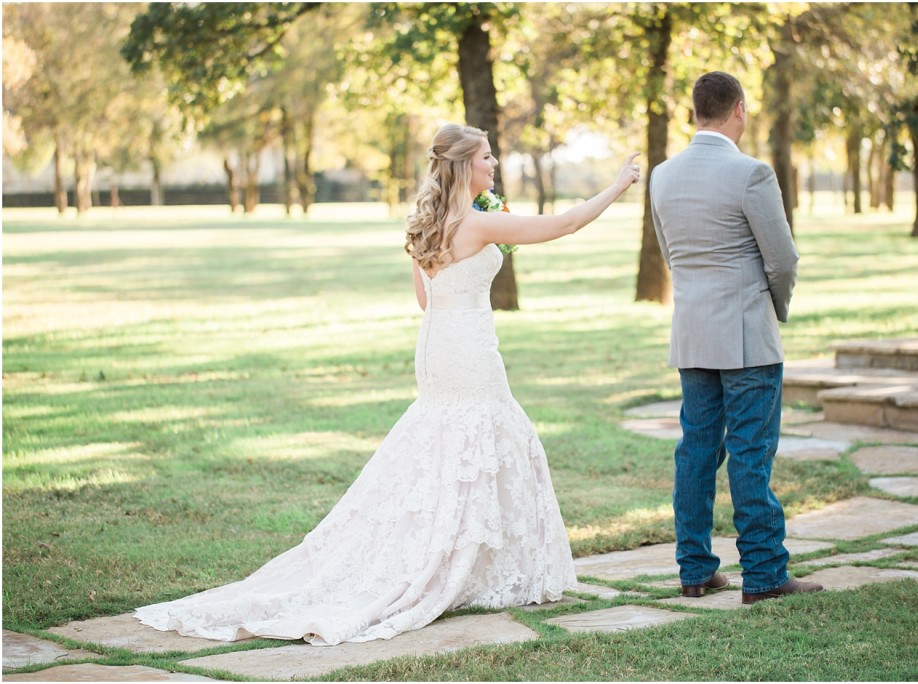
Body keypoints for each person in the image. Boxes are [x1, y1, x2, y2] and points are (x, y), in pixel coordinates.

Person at [134, 123, 641, 645]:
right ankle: (465, 565)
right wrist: (619, 183)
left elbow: (425, 300)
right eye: (487, 158)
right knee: (481, 436)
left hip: (436, 342)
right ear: (466, 166)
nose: (494, 165)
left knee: (446, 441)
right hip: (467, 347)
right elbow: (565, 224)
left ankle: (464, 560)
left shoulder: (426, 221)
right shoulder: (478, 224)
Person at [649, 72, 823, 604]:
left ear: (696, 113)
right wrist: (776, 309)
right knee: (751, 451)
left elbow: (669, 253)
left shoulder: (661, 175)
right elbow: (783, 259)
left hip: (693, 333)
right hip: (747, 335)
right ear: (739, 110)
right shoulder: (750, 173)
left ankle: (695, 569)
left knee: (696, 450)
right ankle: (766, 573)